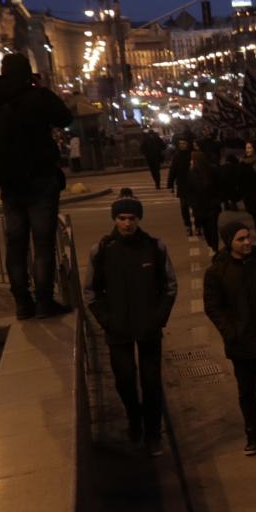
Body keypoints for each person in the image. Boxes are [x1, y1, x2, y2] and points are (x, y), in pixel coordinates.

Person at [0, 53, 75, 319]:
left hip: (8, 182)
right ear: (28, 71)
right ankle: (44, 302)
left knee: (15, 244)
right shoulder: (36, 97)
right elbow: (65, 117)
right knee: (42, 244)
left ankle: (22, 303)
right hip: (40, 178)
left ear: (3, 71)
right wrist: (39, 90)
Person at [86, 189, 177, 453]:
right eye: (122, 218)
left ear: (139, 219)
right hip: (118, 329)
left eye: (132, 218)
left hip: (148, 328)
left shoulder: (155, 247)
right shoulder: (102, 250)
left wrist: (158, 318)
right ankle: (134, 418)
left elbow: (170, 286)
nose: (127, 223)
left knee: (151, 383)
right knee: (124, 379)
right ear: (114, 219)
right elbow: (91, 292)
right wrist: (107, 321)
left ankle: (152, 433)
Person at [203, 217, 256, 454]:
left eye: (248, 236)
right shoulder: (218, 271)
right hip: (241, 342)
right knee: (247, 391)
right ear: (229, 242)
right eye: (240, 239)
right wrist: (230, 332)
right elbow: (213, 307)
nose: (247, 242)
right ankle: (254, 436)